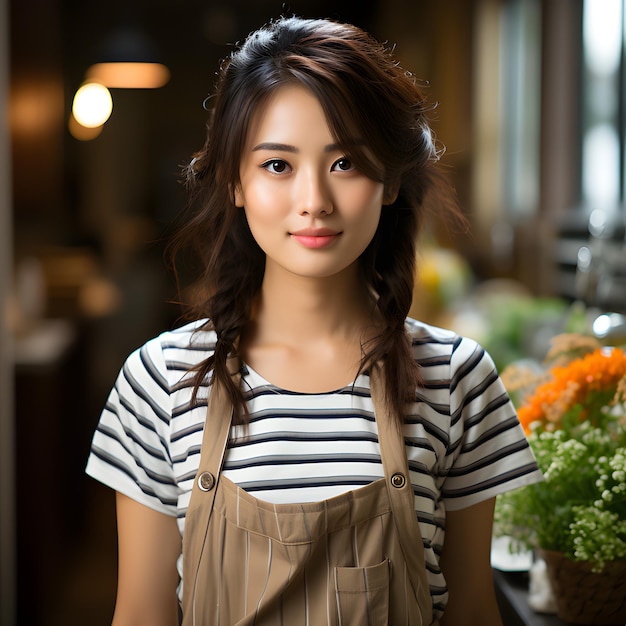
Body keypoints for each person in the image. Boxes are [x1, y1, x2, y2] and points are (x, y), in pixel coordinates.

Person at [86, 14, 542, 626]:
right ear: (235, 182)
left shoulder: (457, 378)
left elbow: (474, 612)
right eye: (278, 165)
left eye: (346, 162)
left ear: (388, 182)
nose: (314, 202)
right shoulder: (160, 379)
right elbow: (140, 614)